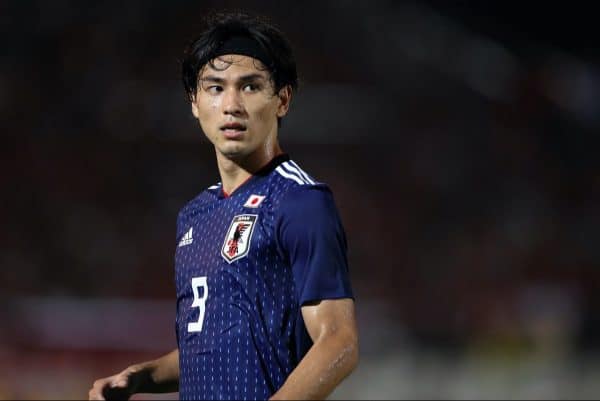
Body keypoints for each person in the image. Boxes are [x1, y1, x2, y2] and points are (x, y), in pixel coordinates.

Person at [89, 11, 358, 401]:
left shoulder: (301, 202)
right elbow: (212, 351)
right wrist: (141, 376)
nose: (231, 104)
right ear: (195, 103)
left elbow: (339, 341)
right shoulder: (194, 216)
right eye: (215, 88)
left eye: (250, 87)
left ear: (282, 99)